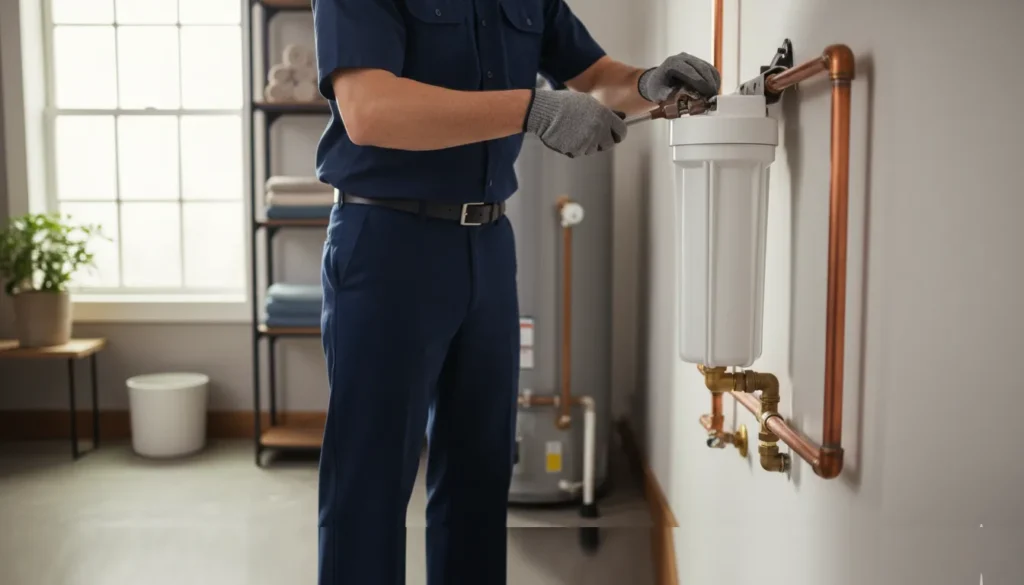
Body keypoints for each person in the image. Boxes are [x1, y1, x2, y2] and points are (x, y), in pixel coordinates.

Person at [311, 0, 719, 582]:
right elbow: (370, 110)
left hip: (488, 243)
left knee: (479, 470)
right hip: (387, 242)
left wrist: (649, 83)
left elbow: (598, 79)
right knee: (370, 477)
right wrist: (533, 108)